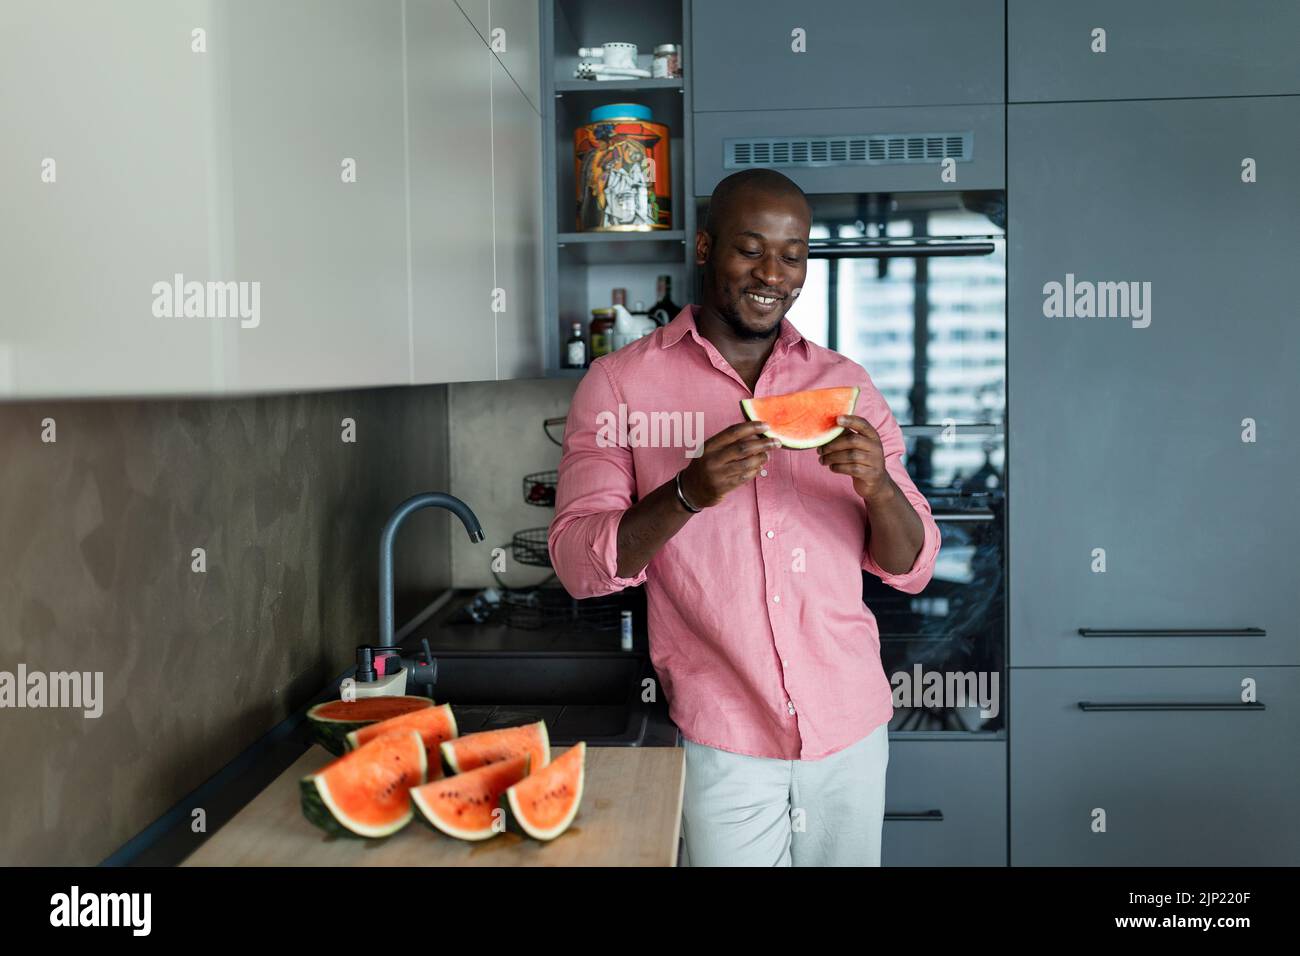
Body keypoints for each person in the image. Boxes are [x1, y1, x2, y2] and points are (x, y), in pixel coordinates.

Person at [547, 168, 941, 866]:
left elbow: (913, 566)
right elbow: (578, 564)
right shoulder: (618, 385)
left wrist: (879, 485)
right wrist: (686, 492)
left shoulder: (845, 385)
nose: (773, 273)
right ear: (705, 247)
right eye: (750, 248)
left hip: (849, 727)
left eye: (793, 255)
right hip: (722, 737)